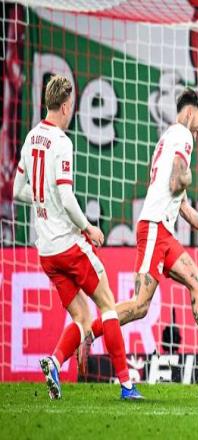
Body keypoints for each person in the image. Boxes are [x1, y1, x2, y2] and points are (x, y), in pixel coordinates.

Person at [84, 89, 198, 374]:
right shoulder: (184, 136)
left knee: (195, 280)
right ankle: (89, 331)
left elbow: (181, 204)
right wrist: (186, 177)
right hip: (153, 227)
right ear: (190, 112)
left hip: (163, 231)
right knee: (140, 306)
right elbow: (176, 182)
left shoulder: (167, 139)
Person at [12, 75, 142, 400]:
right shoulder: (61, 142)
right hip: (68, 245)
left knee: (82, 318)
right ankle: (127, 385)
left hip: (46, 252)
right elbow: (67, 198)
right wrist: (88, 227)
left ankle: (54, 362)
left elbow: (16, 191)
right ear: (66, 106)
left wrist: (42, 199)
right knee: (108, 304)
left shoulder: (31, 138)